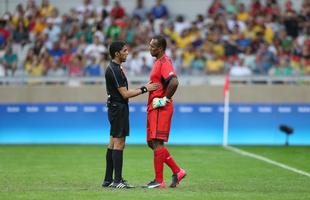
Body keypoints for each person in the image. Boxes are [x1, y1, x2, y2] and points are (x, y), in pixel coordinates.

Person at [102, 41, 159, 189]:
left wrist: (144, 86)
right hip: (118, 109)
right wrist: (145, 88)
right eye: (125, 51)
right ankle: (117, 181)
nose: (127, 53)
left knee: (113, 143)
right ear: (117, 53)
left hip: (115, 108)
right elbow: (125, 94)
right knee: (119, 143)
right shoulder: (114, 69)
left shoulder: (116, 68)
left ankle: (108, 179)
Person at [144, 35, 186, 189]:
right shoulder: (157, 63)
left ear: (160, 48)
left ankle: (159, 180)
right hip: (153, 107)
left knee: (157, 142)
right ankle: (178, 171)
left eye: (153, 46)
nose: (150, 48)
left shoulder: (164, 62)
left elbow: (174, 81)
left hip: (160, 107)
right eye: (150, 45)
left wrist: (164, 99)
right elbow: (161, 82)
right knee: (151, 142)